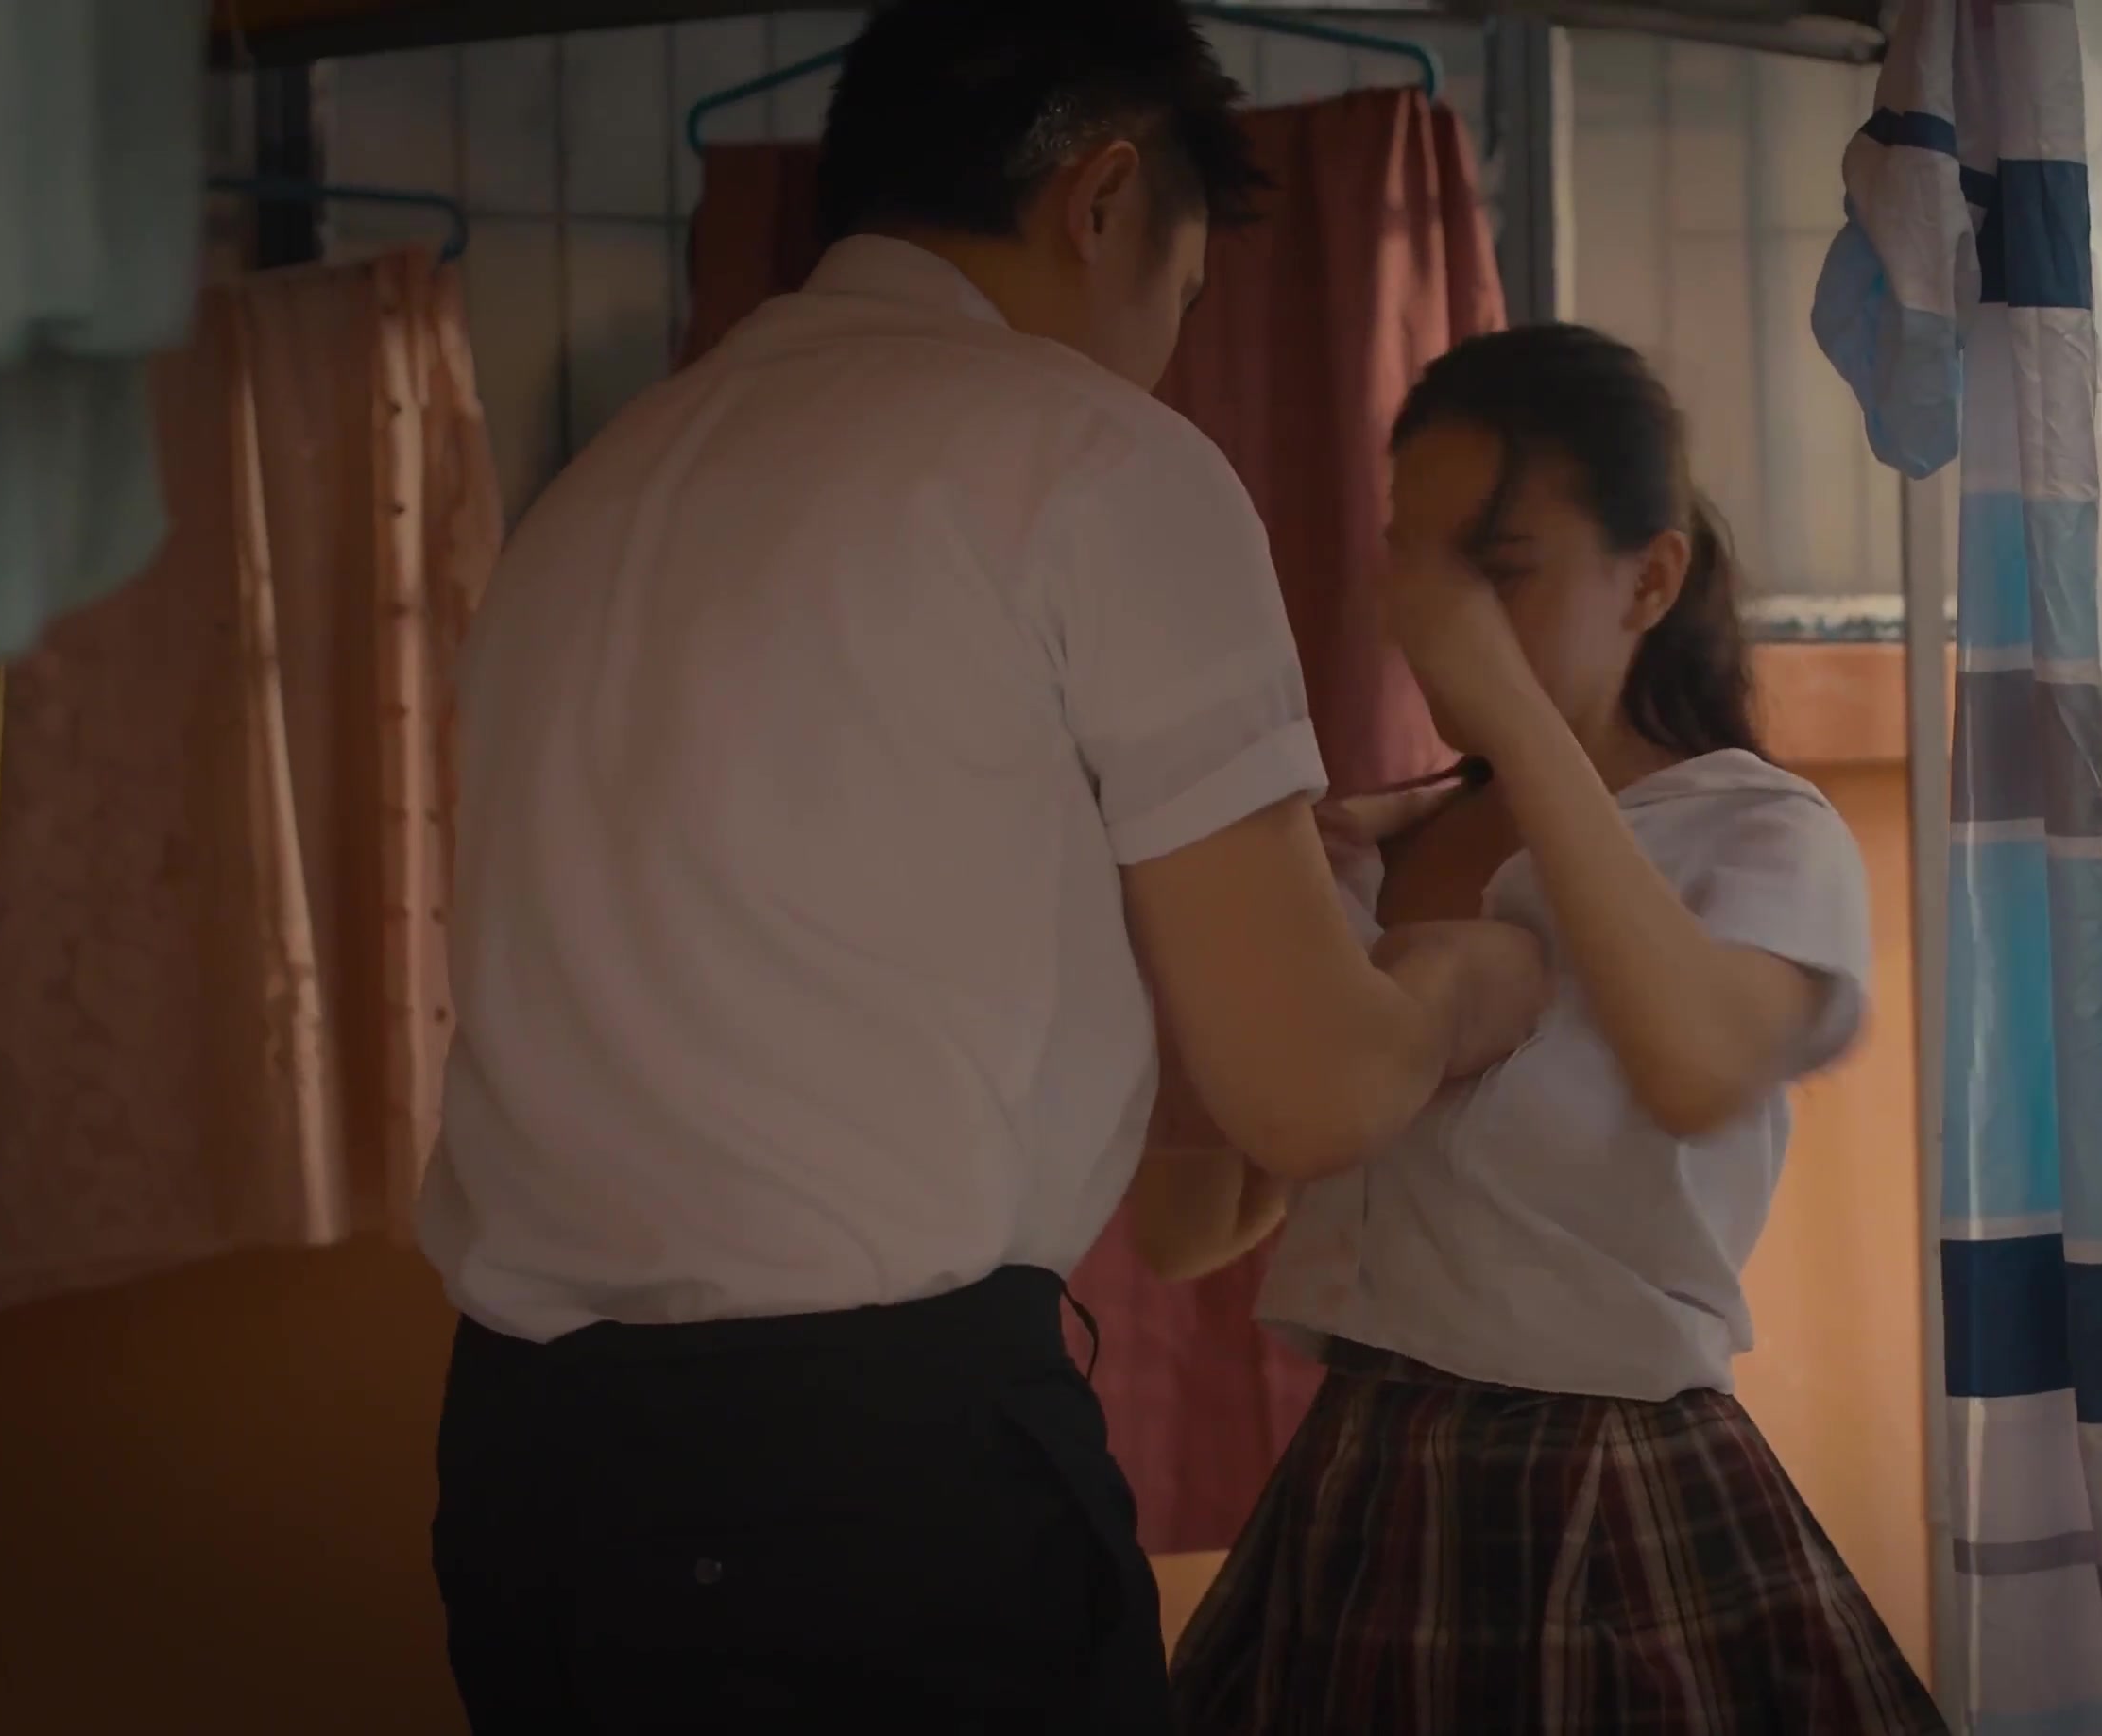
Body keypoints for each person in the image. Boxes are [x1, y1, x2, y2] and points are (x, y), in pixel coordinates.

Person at [415, 4, 1546, 1728]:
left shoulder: (598, 492)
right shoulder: (1094, 457)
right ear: (1102, 198)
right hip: (862, 1496)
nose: (1164, 351)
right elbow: (1310, 1090)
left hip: (530, 1476)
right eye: (1182, 293)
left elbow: (828, 897)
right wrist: (1475, 975)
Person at [1153, 325, 1948, 1734]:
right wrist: (1258, 916)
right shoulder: (1384, 848)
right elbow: (1192, 1226)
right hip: (1358, 1489)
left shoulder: (1757, 833)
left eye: (1499, 567)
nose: (1434, 617)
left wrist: (1519, 730)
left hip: (1608, 1493)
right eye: (1414, 562)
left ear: (1651, 579)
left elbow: (1699, 1063)